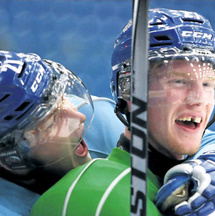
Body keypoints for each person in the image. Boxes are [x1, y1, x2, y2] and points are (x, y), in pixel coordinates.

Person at [30, 8, 215, 216]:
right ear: (130, 90)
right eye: (179, 81)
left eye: (207, 84)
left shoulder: (201, 185)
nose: (199, 99)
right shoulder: (96, 197)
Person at [0, 50, 125, 216]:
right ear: (13, 160)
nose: (80, 117)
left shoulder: (101, 121)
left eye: (63, 98)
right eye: (52, 122)